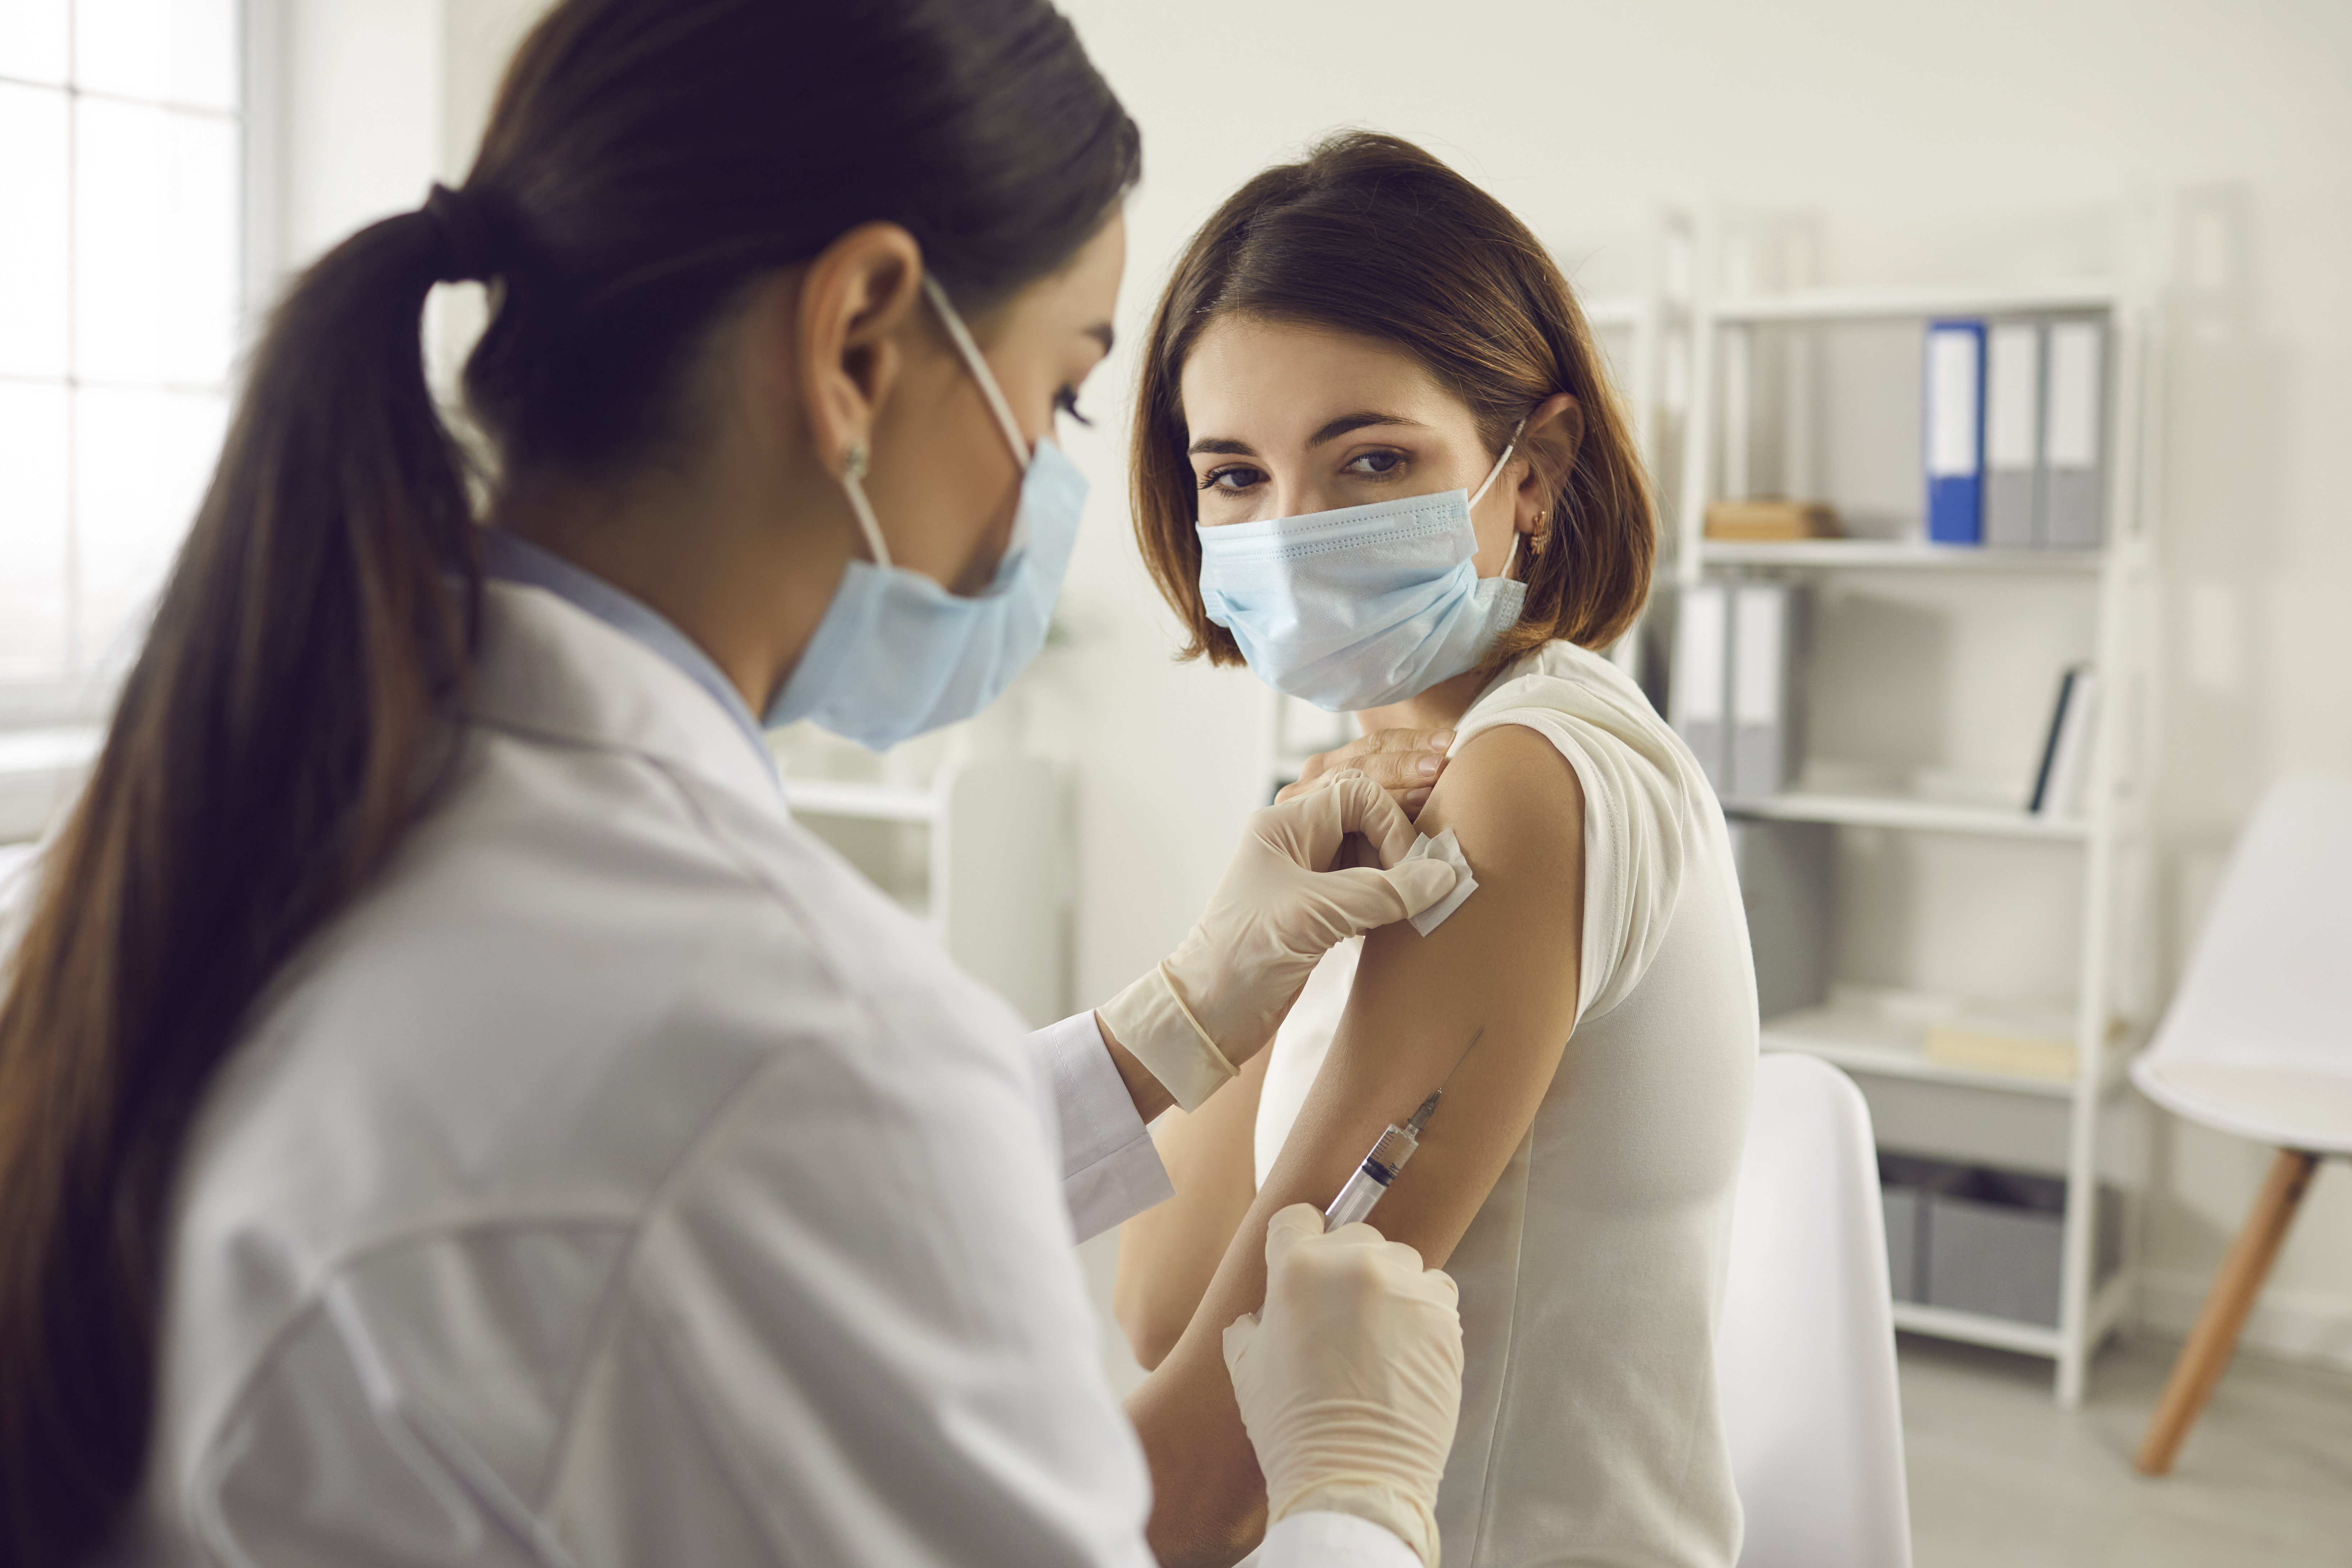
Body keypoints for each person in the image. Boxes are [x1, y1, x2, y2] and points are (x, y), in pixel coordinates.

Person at [0, 8, 1468, 1566]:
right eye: (1060, 398)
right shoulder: (794, 1047)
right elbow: (755, 1160)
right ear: (857, 343)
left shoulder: (187, 847)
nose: (1043, 489)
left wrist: (1165, 1023)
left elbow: (643, 1202)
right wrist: (1353, 1489)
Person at [1112, 133, 1760, 1568]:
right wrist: (1236, 979)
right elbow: (1163, 1307)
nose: (1292, 532)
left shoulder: (1527, 780)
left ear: (1536, 471)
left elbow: (1207, 1486)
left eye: (1371, 459)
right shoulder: (1363, 792)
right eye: (1234, 474)